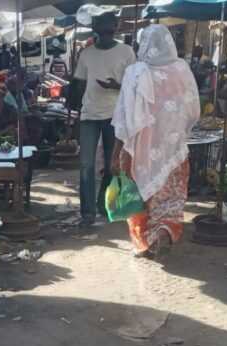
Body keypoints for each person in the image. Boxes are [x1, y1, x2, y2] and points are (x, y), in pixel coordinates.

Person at [111, 25, 200, 258]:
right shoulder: (182, 69)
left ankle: (143, 243)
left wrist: (116, 153)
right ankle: (164, 229)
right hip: (173, 150)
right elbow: (192, 111)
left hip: (139, 152)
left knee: (139, 197)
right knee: (170, 198)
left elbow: (123, 119)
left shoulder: (136, 72)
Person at [69, 11, 136, 227]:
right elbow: (78, 84)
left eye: (109, 31)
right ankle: (87, 212)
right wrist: (74, 111)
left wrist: (115, 85)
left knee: (110, 165)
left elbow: (135, 84)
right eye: (102, 31)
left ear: (114, 30)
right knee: (86, 164)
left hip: (115, 115)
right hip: (89, 114)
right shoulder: (87, 54)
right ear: (96, 31)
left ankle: (102, 204)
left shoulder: (126, 52)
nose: (106, 35)